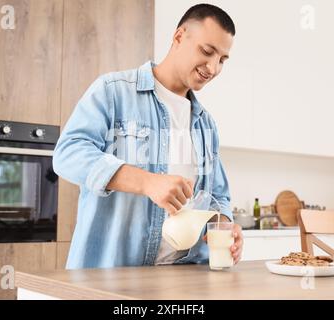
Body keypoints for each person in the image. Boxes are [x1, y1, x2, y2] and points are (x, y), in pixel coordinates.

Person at [53, 3, 243, 269]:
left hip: (182, 279)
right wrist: (146, 182)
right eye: (207, 51)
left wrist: (223, 225)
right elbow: (67, 154)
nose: (212, 68)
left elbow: (218, 196)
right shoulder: (113, 92)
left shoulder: (206, 124)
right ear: (179, 37)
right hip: (109, 277)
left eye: (222, 60)